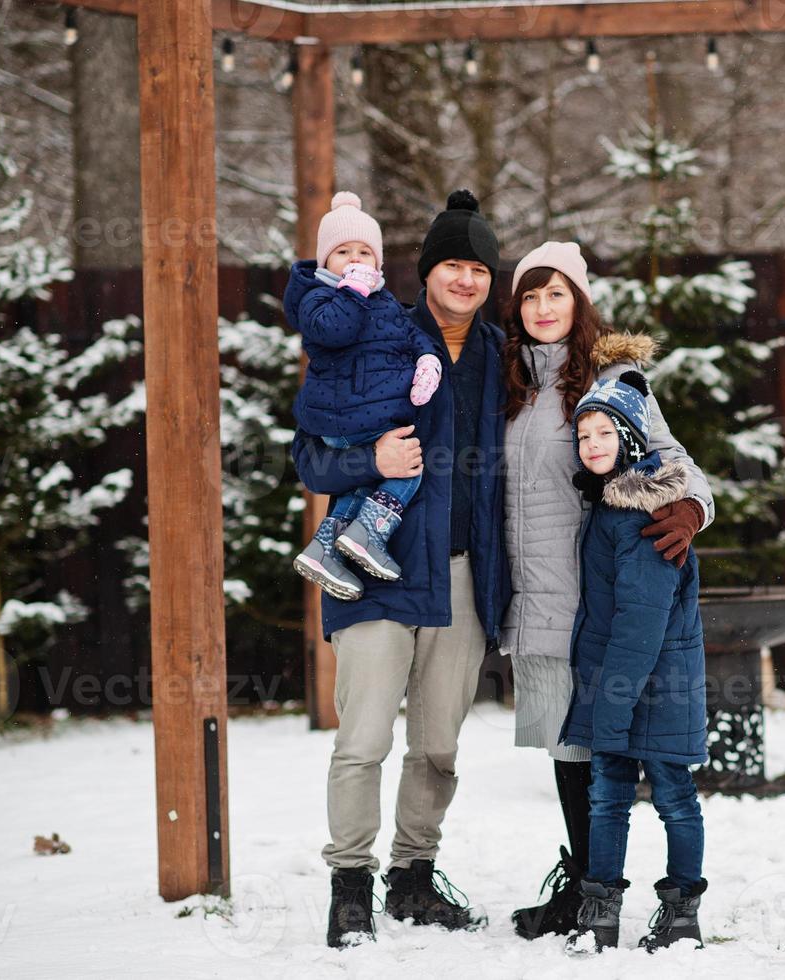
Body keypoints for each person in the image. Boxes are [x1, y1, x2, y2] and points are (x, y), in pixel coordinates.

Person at [290, 189, 510, 948]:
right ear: (425, 272)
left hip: (460, 574)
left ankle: (413, 876)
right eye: (453, 264)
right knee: (364, 740)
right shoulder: (374, 328)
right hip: (374, 565)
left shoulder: (499, 355)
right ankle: (349, 883)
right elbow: (309, 453)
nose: (466, 279)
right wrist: (368, 459)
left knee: (439, 747)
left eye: (479, 267)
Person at [501, 241, 713, 940]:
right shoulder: (503, 381)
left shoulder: (614, 380)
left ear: (579, 300)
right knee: (567, 744)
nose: (542, 308)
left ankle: (604, 892)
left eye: (556, 293)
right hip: (533, 589)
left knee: (604, 746)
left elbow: (674, 461)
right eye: (529, 296)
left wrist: (690, 509)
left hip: (603, 585)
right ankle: (582, 886)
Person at [559, 372, 709, 954]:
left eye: (605, 432)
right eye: (583, 435)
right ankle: (600, 915)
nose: (592, 444)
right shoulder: (609, 505)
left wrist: (611, 701)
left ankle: (681, 917)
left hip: (653, 684)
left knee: (672, 794)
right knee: (607, 796)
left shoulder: (646, 510)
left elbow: (642, 620)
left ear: (632, 440)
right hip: (621, 681)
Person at [286, 191, 444, 599]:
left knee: (360, 485)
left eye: (364, 253)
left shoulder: (385, 302)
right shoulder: (318, 298)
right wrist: (352, 291)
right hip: (345, 415)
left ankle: (325, 549)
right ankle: (370, 534)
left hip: (367, 418)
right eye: (343, 252)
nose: (356, 260)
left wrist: (428, 361)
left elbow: (411, 335)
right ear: (325, 262)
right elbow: (332, 330)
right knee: (406, 468)